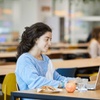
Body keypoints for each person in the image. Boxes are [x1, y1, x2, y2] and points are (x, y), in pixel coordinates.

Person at [15, 22, 77, 100]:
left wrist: (75, 81)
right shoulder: (24, 59)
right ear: (36, 39)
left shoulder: (46, 59)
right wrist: (63, 84)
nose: (50, 43)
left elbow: (57, 77)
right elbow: (36, 82)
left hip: (49, 97)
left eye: (50, 40)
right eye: (46, 39)